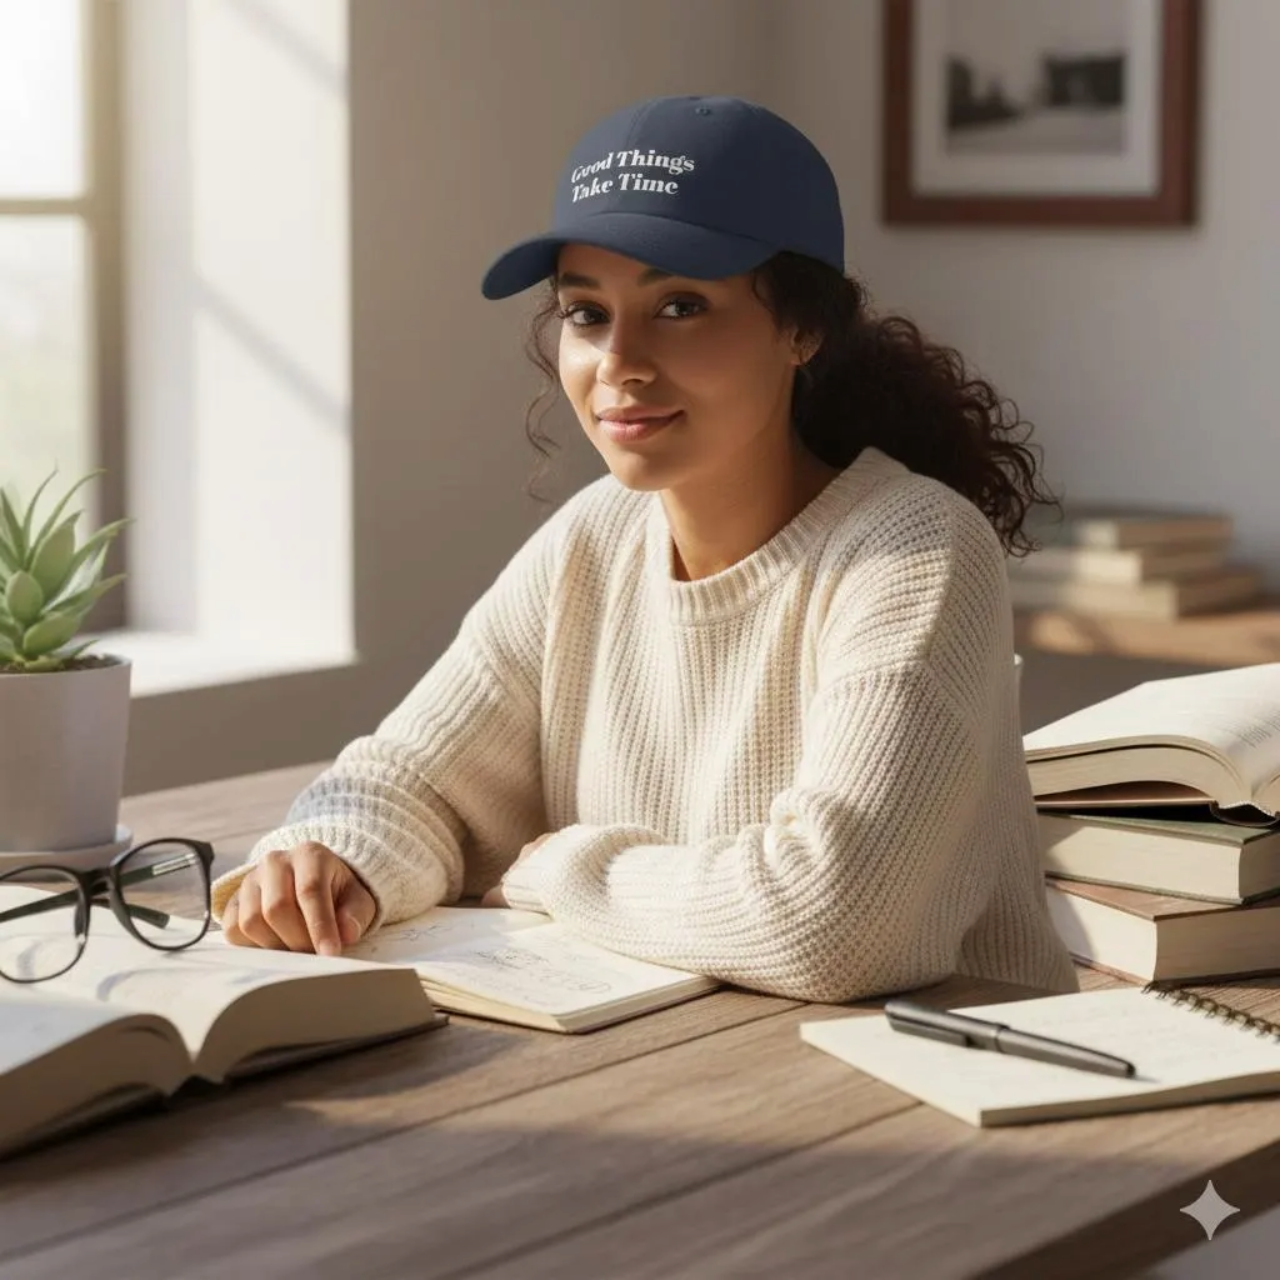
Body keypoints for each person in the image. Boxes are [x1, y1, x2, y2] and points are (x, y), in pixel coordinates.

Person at [215, 94, 1079, 1002]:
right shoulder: (594, 539)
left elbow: (834, 922)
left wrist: (560, 872)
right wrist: (329, 860)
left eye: (678, 305)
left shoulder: (914, 550)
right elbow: (412, 784)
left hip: (946, 1092)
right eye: (587, 313)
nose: (619, 361)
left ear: (803, 328)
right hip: (674, 1066)